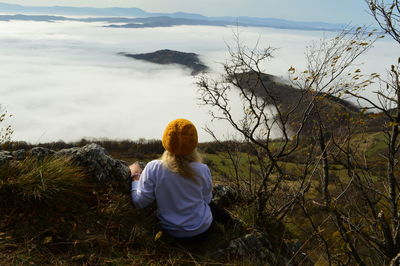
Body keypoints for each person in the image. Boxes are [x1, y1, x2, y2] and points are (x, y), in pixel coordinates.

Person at [130, 118, 213, 239]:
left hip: (170, 232)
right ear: (194, 143)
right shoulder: (202, 169)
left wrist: (136, 176)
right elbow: (207, 200)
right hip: (201, 230)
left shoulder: (153, 168)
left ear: (165, 141)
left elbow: (139, 203)